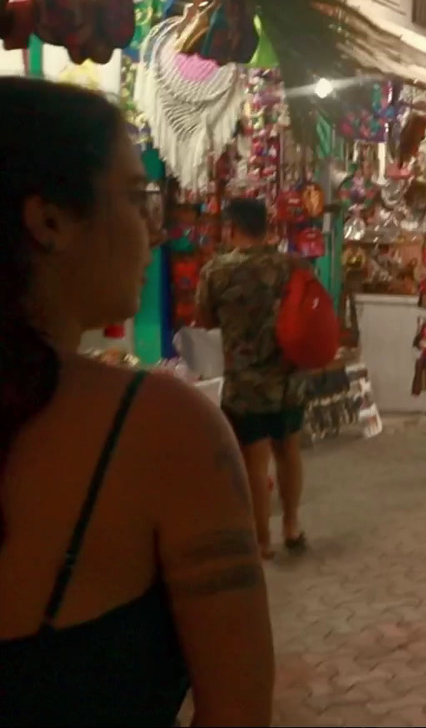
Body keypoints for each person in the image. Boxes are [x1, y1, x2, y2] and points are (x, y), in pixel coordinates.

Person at [0, 77, 273, 724]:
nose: (155, 229)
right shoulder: (163, 428)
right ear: (49, 220)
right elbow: (237, 709)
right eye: (134, 196)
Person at [198, 198, 308, 560]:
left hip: (244, 383)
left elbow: (206, 321)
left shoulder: (215, 271)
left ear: (231, 228)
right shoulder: (290, 267)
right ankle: (291, 525)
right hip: (288, 377)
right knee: (288, 450)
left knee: (254, 461)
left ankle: (262, 541)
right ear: (267, 227)